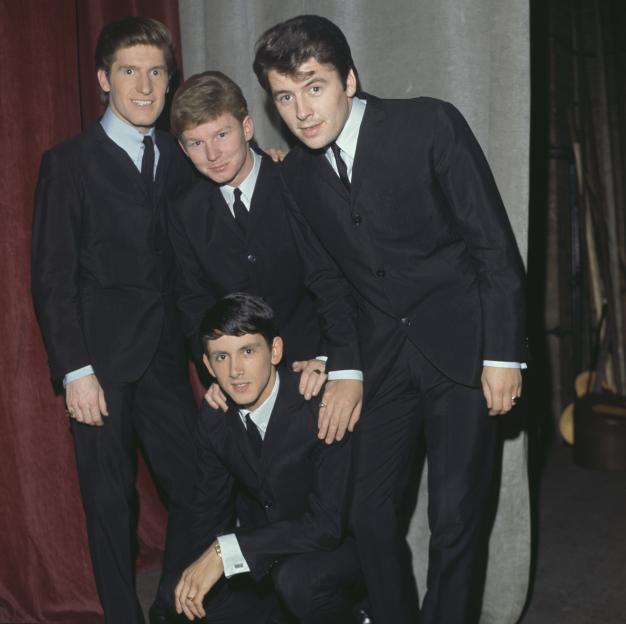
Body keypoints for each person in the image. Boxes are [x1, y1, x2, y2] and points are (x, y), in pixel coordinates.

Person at [253, 15, 527, 624]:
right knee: (368, 516)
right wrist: (347, 364)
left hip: (463, 348)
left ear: (348, 79)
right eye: (284, 96)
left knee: (456, 518)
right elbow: (327, 282)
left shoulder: (428, 123)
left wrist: (502, 354)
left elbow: (492, 246)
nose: (301, 110)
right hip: (379, 360)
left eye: (314, 86)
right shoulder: (294, 175)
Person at [32, 17, 198, 624]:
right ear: (104, 79)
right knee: (110, 503)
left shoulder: (182, 155)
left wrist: (273, 162)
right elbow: (51, 277)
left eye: (157, 71)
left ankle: (170, 606)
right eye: (130, 71)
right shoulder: (68, 163)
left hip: (165, 359)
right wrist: (74, 371)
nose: (146, 86)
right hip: (97, 365)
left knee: (197, 486)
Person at [168, 70, 361, 434]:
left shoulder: (297, 180)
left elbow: (332, 281)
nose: (212, 154)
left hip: (314, 373)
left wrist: (330, 358)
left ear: (247, 127)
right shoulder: (184, 211)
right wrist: (215, 372)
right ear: (182, 148)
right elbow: (192, 301)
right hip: (240, 388)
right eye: (196, 143)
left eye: (221, 135)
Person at [174, 292, 362, 623]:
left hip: (335, 550)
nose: (235, 371)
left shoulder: (318, 404)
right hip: (266, 552)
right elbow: (207, 509)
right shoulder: (215, 416)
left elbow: (327, 526)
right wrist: (197, 571)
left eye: (247, 351)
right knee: (180, 601)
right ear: (207, 366)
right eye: (221, 357)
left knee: (297, 581)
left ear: (275, 351)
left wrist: (225, 552)